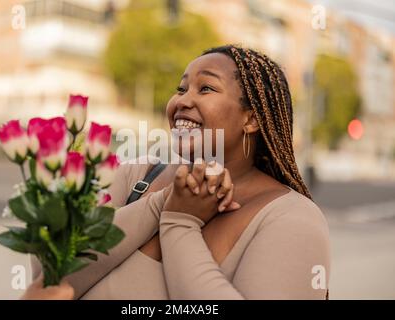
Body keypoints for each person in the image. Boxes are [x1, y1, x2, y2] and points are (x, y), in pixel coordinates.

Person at [22, 44, 330, 300]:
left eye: (205, 88)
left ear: (251, 119)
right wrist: (160, 203)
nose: (182, 100)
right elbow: (48, 278)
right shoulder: (136, 175)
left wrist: (181, 223)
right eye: (181, 88)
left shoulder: (291, 218)